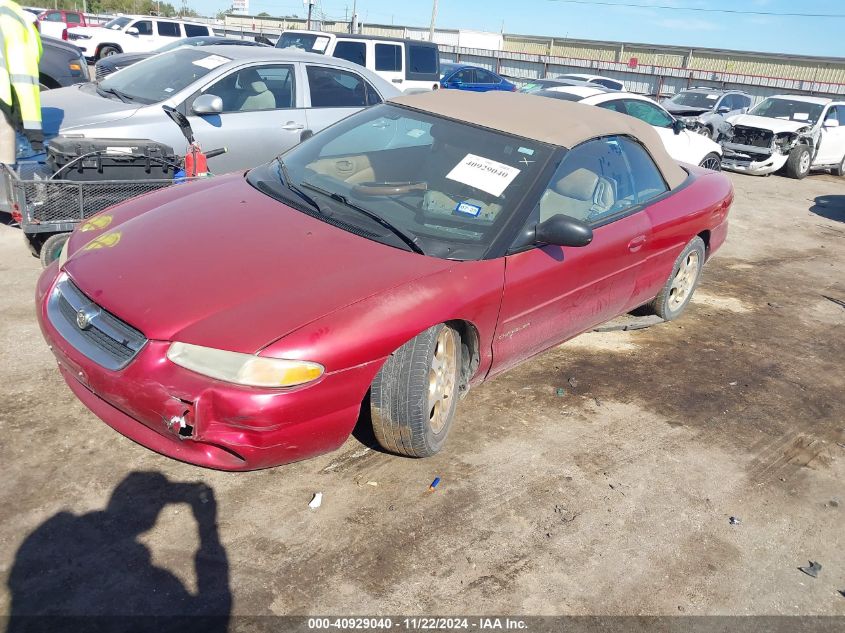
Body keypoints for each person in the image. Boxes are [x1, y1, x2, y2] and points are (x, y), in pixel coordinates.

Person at [0, 0, 42, 164]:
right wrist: (34, 135)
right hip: (3, 100)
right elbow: (24, 77)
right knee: (5, 169)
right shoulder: (12, 15)